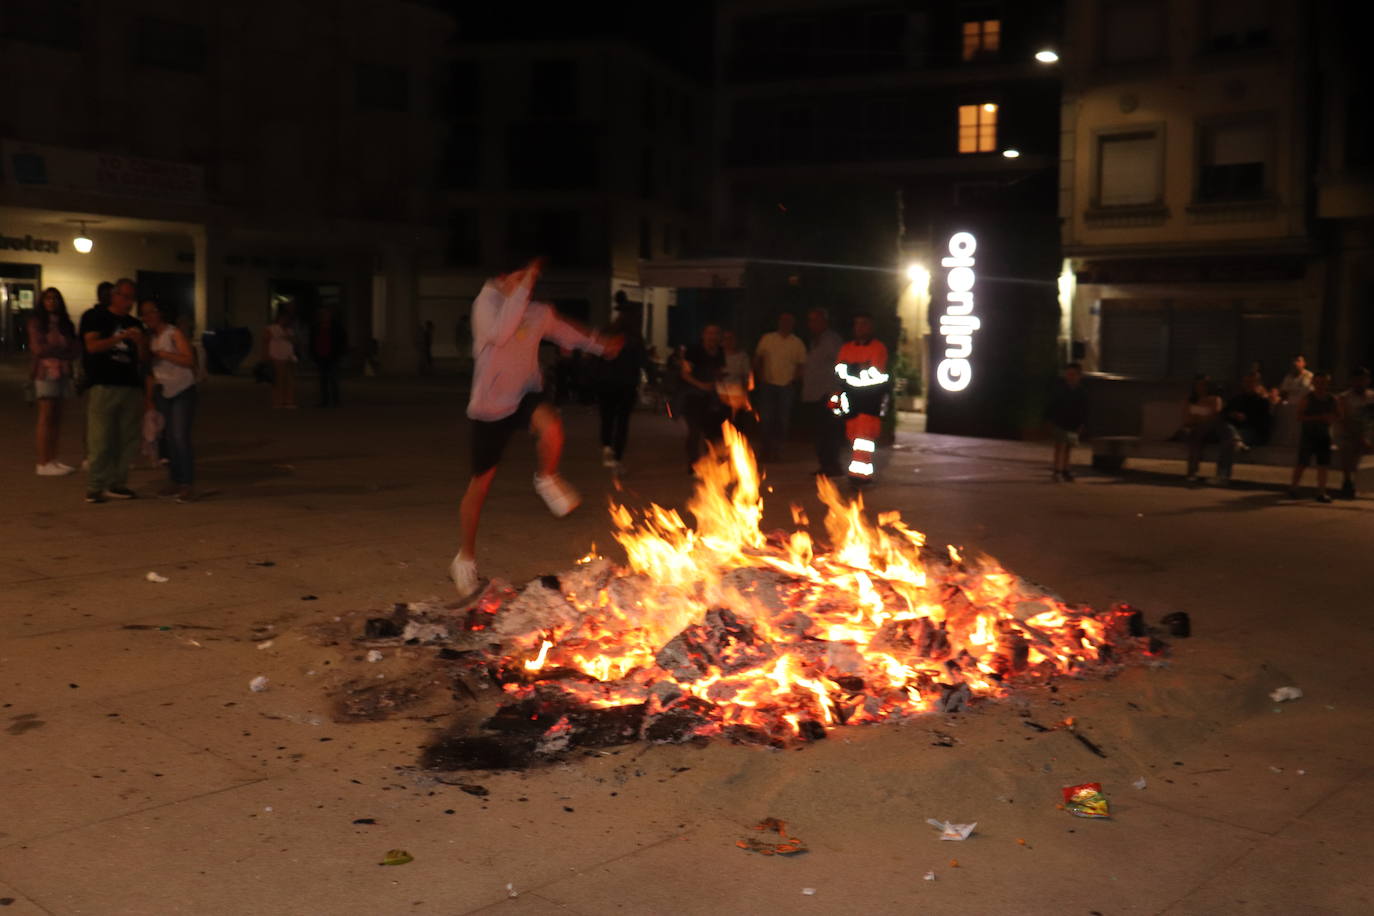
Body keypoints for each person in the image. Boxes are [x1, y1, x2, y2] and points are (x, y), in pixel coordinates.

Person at [449, 257, 621, 595]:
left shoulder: (536, 311)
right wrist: (522, 285)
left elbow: (564, 330)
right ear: (501, 277)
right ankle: (464, 559)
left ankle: (546, 477)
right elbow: (499, 334)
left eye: (530, 279)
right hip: (490, 407)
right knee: (479, 486)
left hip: (525, 393)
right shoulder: (485, 305)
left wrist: (600, 344)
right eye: (520, 277)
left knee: (551, 424)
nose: (527, 285)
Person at [80, 278, 146, 503]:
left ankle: (117, 483)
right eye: (124, 296)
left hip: (130, 385)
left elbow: (143, 358)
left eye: (132, 298)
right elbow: (92, 346)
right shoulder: (95, 317)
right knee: (100, 438)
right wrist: (119, 338)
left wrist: (139, 342)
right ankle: (95, 486)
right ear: (114, 295)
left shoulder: (134, 323)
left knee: (127, 439)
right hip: (104, 383)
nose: (128, 302)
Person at [139, 298, 199, 502]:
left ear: (160, 313)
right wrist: (149, 399)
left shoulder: (173, 333)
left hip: (182, 389)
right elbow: (149, 373)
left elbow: (189, 359)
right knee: (168, 438)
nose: (148, 317)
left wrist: (164, 354)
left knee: (180, 435)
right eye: (144, 314)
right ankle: (175, 480)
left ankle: (187, 483)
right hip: (162, 390)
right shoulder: (148, 338)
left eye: (151, 312)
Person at [27, 287, 80, 476]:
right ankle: (42, 462)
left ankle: (53, 459)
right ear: (42, 301)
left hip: (63, 371)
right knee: (46, 416)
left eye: (55, 298)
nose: (51, 302)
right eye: (48, 298)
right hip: (45, 371)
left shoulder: (65, 323)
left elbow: (75, 348)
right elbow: (38, 349)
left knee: (57, 417)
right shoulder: (36, 322)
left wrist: (59, 350)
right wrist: (60, 349)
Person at [832, 312, 889, 486]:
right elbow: (840, 370)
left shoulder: (878, 348)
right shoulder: (847, 347)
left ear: (871, 327)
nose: (859, 328)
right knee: (853, 437)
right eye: (857, 324)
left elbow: (874, 372)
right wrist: (859, 368)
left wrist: (851, 369)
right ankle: (858, 472)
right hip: (852, 402)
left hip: (870, 401)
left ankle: (861, 475)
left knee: (863, 439)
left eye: (864, 324)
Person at [596, 298, 646, 474]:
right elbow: (642, 361)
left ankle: (607, 447)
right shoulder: (635, 337)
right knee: (622, 421)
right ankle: (616, 458)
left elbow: (597, 356)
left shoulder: (607, 333)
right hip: (626, 384)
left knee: (607, 417)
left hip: (606, 382)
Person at [752, 312, 807, 461]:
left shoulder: (797, 343)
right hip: (768, 384)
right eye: (783, 321)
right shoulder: (768, 339)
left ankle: (778, 451)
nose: (785, 324)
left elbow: (801, 365)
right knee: (766, 418)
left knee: (783, 420)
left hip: (786, 386)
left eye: (789, 321)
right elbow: (757, 359)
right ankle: (765, 450)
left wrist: (793, 380)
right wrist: (759, 377)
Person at [801, 308, 845, 478]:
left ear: (824, 322)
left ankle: (833, 465)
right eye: (810, 320)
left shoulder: (832, 340)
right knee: (819, 433)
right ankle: (825, 464)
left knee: (830, 431)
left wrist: (836, 391)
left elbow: (839, 363)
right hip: (814, 393)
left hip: (829, 393)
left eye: (816, 320)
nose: (812, 324)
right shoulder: (813, 341)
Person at [680, 323, 728, 469]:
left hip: (711, 397)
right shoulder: (693, 351)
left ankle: (710, 461)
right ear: (703, 335)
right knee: (694, 430)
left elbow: (718, 370)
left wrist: (720, 377)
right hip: (692, 395)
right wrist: (701, 385)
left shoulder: (720, 352)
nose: (712, 337)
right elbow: (685, 374)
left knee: (712, 430)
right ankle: (693, 462)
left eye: (715, 333)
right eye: (709, 333)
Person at [1290, 371, 1342, 502]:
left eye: (1324, 383)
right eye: (1318, 382)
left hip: (1324, 435)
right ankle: (1293, 487)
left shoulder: (1332, 399)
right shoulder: (1308, 398)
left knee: (1323, 465)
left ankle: (1321, 492)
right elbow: (1300, 416)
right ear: (1313, 383)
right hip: (1309, 435)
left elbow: (1339, 414)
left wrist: (1332, 418)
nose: (1321, 385)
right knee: (1302, 463)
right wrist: (1319, 417)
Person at [1046, 362, 1088, 482]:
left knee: (1069, 447)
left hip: (1073, 424)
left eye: (1073, 374)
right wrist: (1050, 419)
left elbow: (1084, 409)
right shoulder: (1060, 390)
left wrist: (1082, 424)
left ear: (1079, 376)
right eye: (1068, 374)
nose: (1070, 377)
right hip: (1060, 422)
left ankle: (1065, 470)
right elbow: (1052, 405)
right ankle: (1057, 470)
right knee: (1059, 446)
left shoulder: (1082, 392)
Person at [1336, 368, 1372, 499]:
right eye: (1357, 380)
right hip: (1349, 434)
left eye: (1363, 380)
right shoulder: (1344, 398)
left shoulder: (1371, 397)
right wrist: (1359, 438)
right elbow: (1343, 420)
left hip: (1368, 433)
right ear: (1352, 381)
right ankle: (1347, 482)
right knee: (1347, 450)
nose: (1360, 383)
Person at [1224, 371, 1275, 449]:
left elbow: (1263, 423)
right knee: (1227, 430)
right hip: (1235, 429)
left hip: (1254, 433)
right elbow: (1224, 413)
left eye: (1251, 382)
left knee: (1230, 436)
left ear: (1257, 384)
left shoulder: (1262, 402)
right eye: (1246, 382)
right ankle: (1238, 442)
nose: (1248, 385)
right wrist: (1232, 415)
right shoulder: (1238, 399)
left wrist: (1246, 418)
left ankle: (1237, 442)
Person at [311, 307, 348, 407]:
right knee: (323, 380)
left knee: (334, 379)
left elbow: (342, 341)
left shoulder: (337, 327)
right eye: (323, 315)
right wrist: (314, 355)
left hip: (333, 356)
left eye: (327, 314)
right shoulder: (316, 327)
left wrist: (340, 353)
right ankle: (325, 401)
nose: (325, 317)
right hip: (321, 356)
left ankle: (336, 401)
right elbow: (312, 342)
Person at [263, 307, 297, 408]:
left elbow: (294, 342)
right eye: (283, 318)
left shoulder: (290, 330)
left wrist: (290, 337)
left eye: (287, 318)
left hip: (289, 357)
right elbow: (265, 342)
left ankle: (288, 401)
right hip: (276, 356)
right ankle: (277, 401)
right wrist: (266, 355)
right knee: (278, 380)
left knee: (289, 380)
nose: (285, 320)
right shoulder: (271, 329)